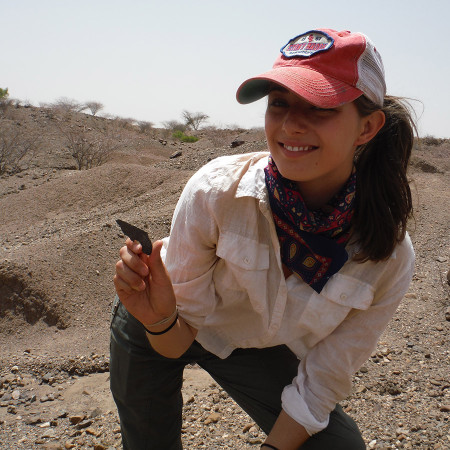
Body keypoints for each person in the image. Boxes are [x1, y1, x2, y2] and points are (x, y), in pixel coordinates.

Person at [111, 28, 416, 449]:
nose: (290, 124)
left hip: (250, 341)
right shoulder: (216, 192)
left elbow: (320, 385)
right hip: (163, 319)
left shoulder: (387, 256)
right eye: (279, 103)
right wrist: (158, 317)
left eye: (319, 107)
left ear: (367, 127)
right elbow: (177, 337)